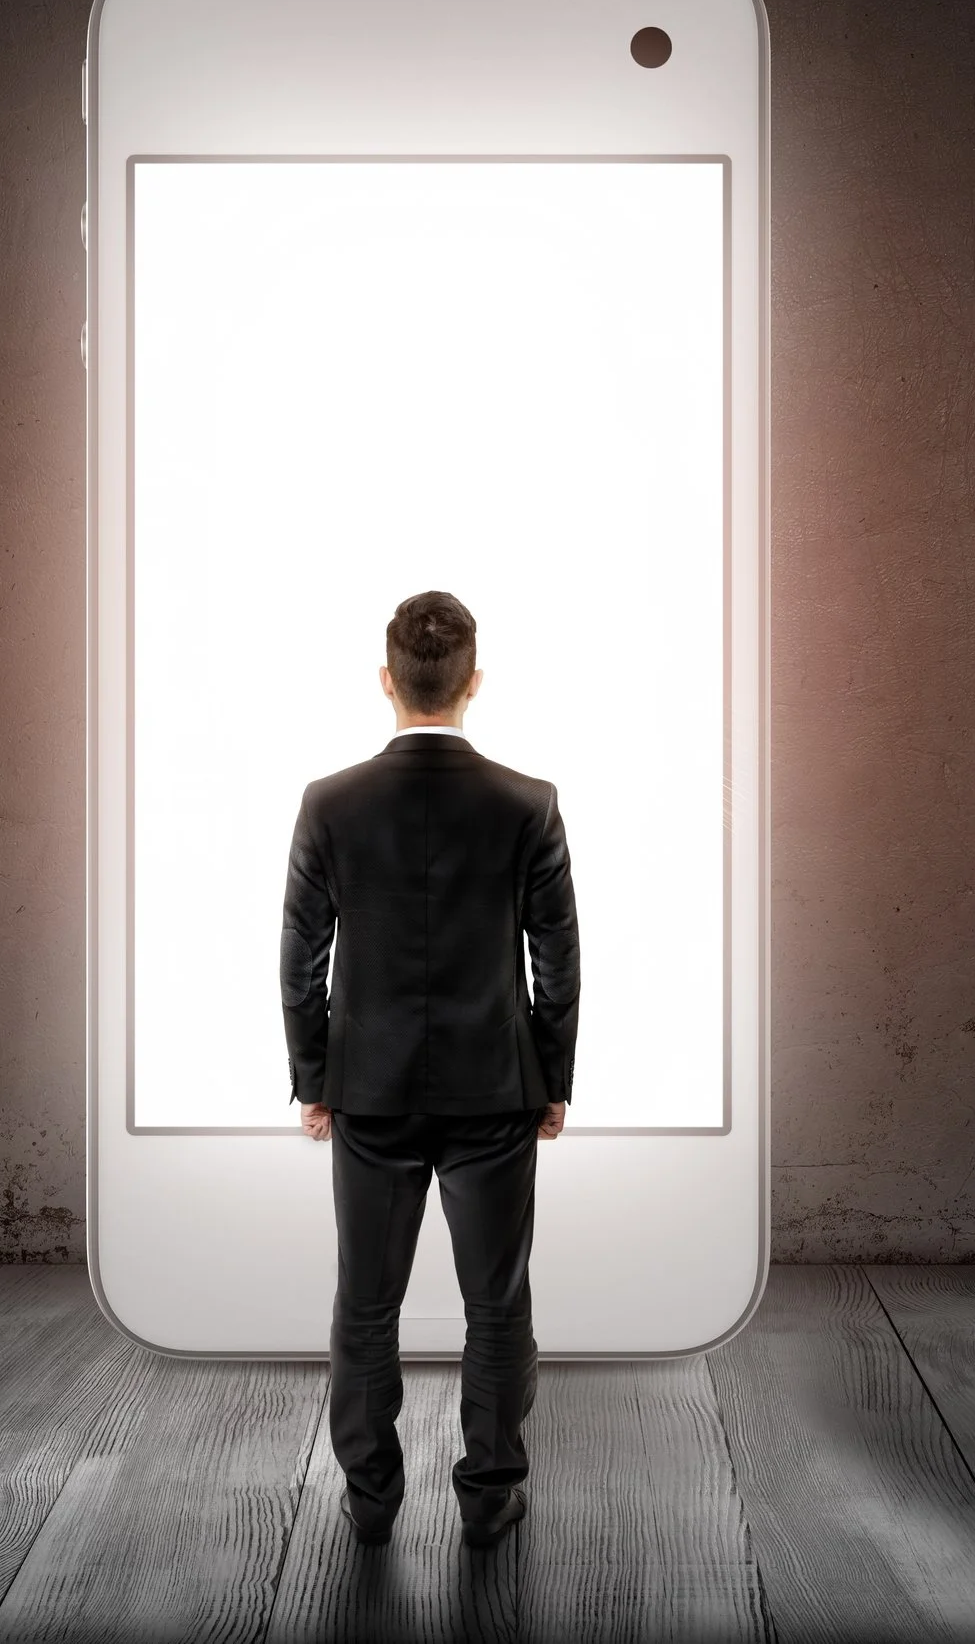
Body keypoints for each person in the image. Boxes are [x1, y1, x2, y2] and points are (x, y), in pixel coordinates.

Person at [279, 589, 580, 1551]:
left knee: (364, 1303)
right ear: (473, 682)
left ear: (387, 681)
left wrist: (314, 1077)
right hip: (495, 1086)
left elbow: (300, 956)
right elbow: (557, 957)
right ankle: (489, 1498)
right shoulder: (527, 803)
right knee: (498, 1304)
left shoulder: (329, 803)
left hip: (368, 1089)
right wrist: (555, 1076)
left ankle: (371, 1504)